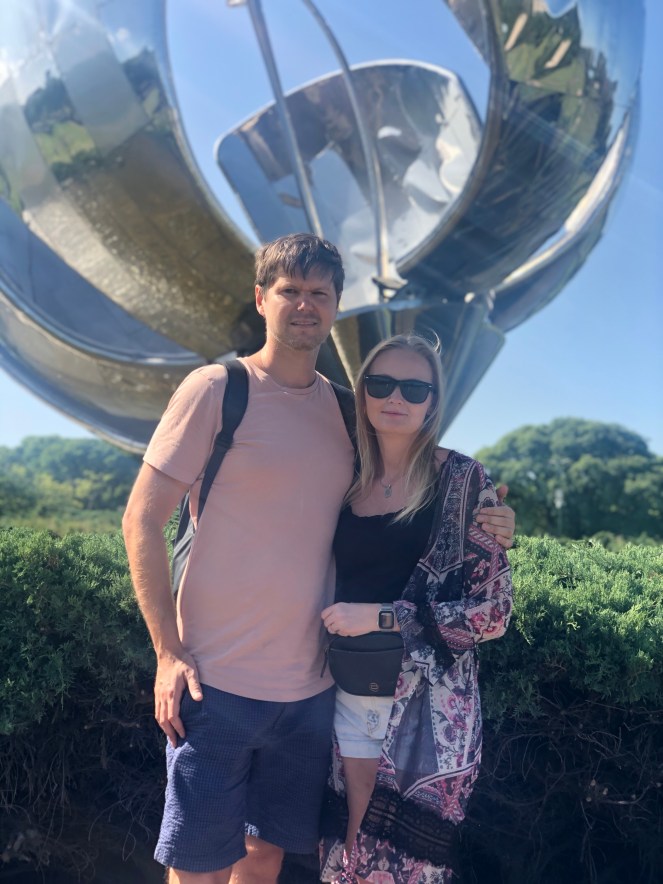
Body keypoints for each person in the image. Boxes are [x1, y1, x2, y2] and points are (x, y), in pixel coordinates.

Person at [122, 234, 514, 884]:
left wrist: (494, 518)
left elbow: (407, 494)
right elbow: (140, 519)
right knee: (198, 863)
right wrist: (167, 653)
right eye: (290, 291)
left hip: (311, 691)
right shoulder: (218, 389)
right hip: (215, 680)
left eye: (319, 293)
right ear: (261, 299)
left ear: (335, 306)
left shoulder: (343, 413)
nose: (305, 304)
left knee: (265, 855)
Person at [320, 334, 513, 884]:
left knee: (410, 861)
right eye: (381, 384)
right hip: (352, 685)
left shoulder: (464, 480)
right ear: (362, 393)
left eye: (413, 388)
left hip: (430, 705)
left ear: (433, 402)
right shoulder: (345, 478)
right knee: (353, 839)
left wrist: (384, 616)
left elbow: (493, 611)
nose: (395, 398)